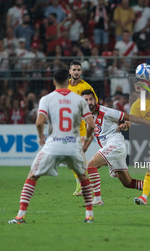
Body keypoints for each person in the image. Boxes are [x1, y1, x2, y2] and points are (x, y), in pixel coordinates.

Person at [8, 69, 96, 224]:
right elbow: (91, 124)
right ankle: (89, 215)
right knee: (83, 177)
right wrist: (87, 140)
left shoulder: (46, 99)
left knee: (33, 176)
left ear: (54, 82)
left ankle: (20, 215)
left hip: (54, 144)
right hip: (73, 145)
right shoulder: (79, 100)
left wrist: (41, 136)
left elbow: (39, 122)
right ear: (67, 81)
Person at [81, 89, 150, 205]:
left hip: (115, 144)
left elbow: (129, 117)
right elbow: (91, 130)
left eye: (91, 99)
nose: (89, 102)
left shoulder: (106, 111)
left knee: (91, 165)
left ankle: (97, 199)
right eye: (85, 100)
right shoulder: (86, 114)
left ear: (95, 100)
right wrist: (85, 146)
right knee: (127, 182)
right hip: (111, 146)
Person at [68, 61, 98, 196]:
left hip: (80, 125)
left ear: (81, 71)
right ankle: (81, 182)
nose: (76, 72)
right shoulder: (64, 85)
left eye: (78, 70)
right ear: (70, 71)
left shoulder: (86, 87)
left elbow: (94, 104)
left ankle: (83, 183)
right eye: (74, 70)